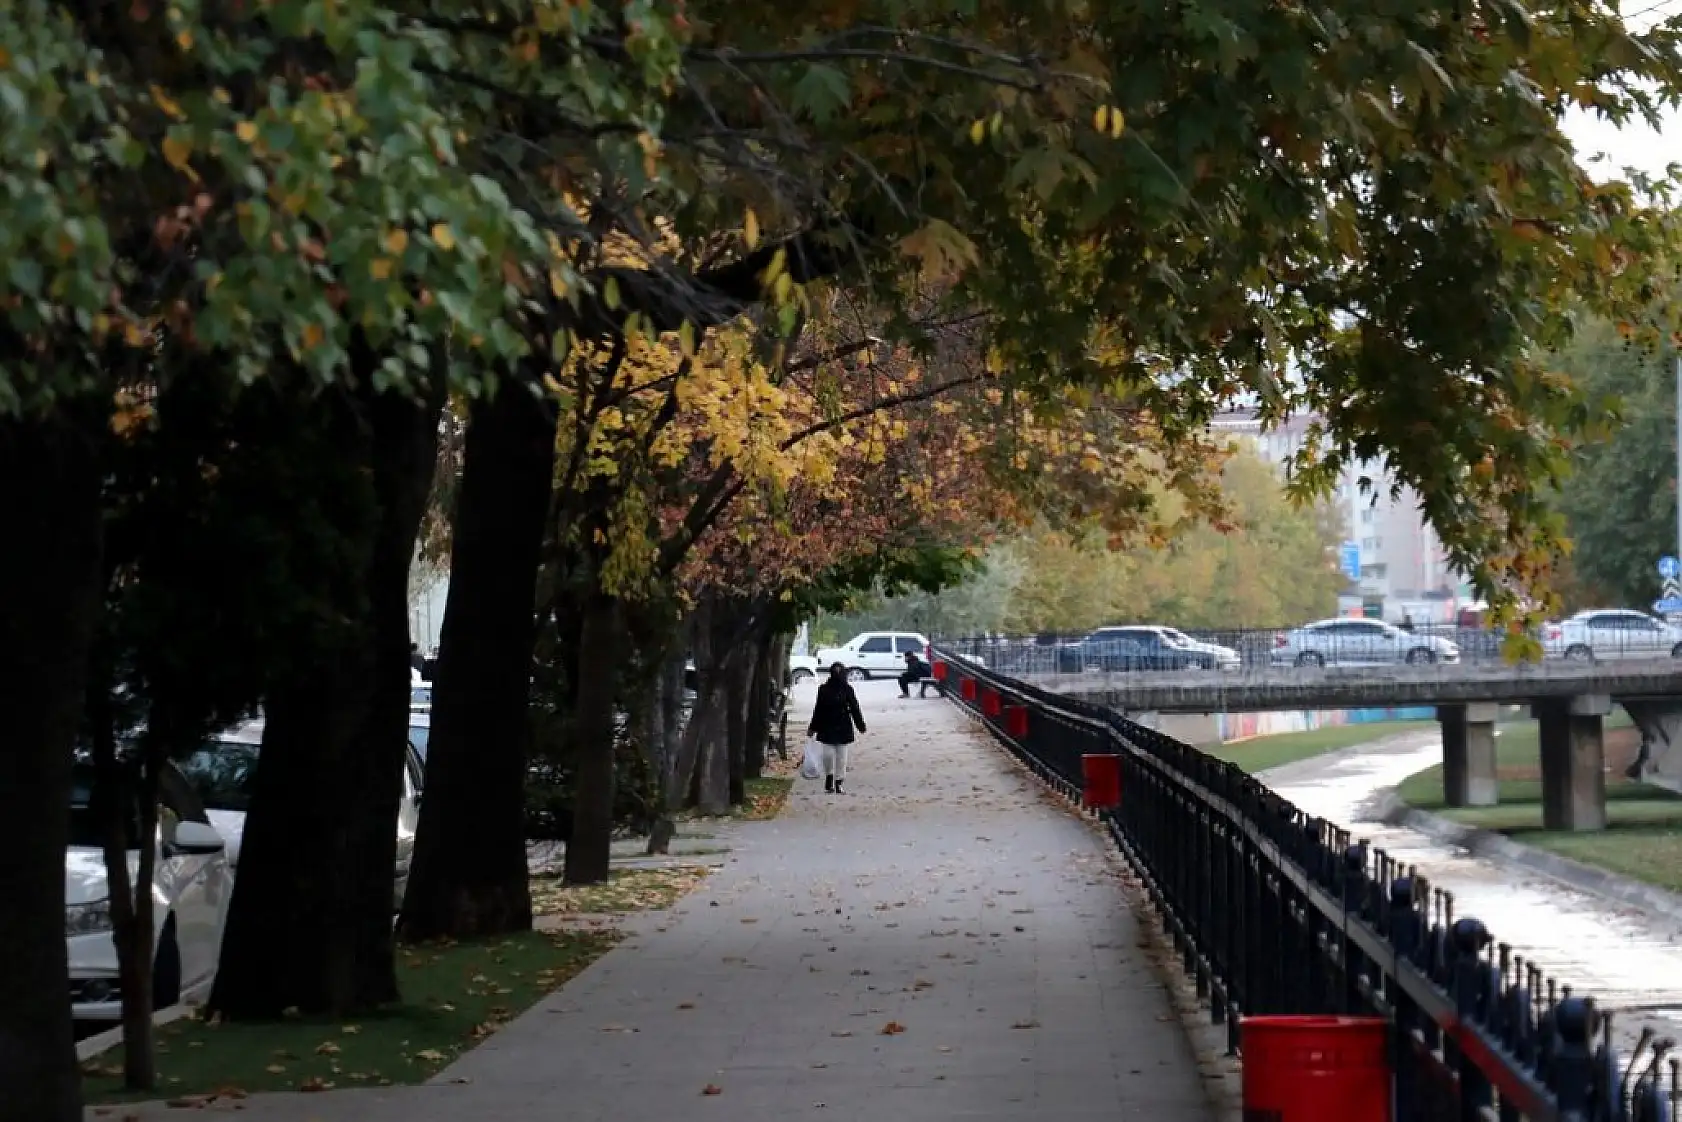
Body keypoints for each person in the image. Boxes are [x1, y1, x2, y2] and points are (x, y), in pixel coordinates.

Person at [808, 662, 867, 794]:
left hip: (843, 724)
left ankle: (839, 781)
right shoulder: (823, 689)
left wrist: (860, 725)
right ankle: (829, 776)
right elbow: (818, 709)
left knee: (841, 756)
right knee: (827, 755)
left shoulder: (847, 689)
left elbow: (854, 707)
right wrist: (813, 727)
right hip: (827, 724)